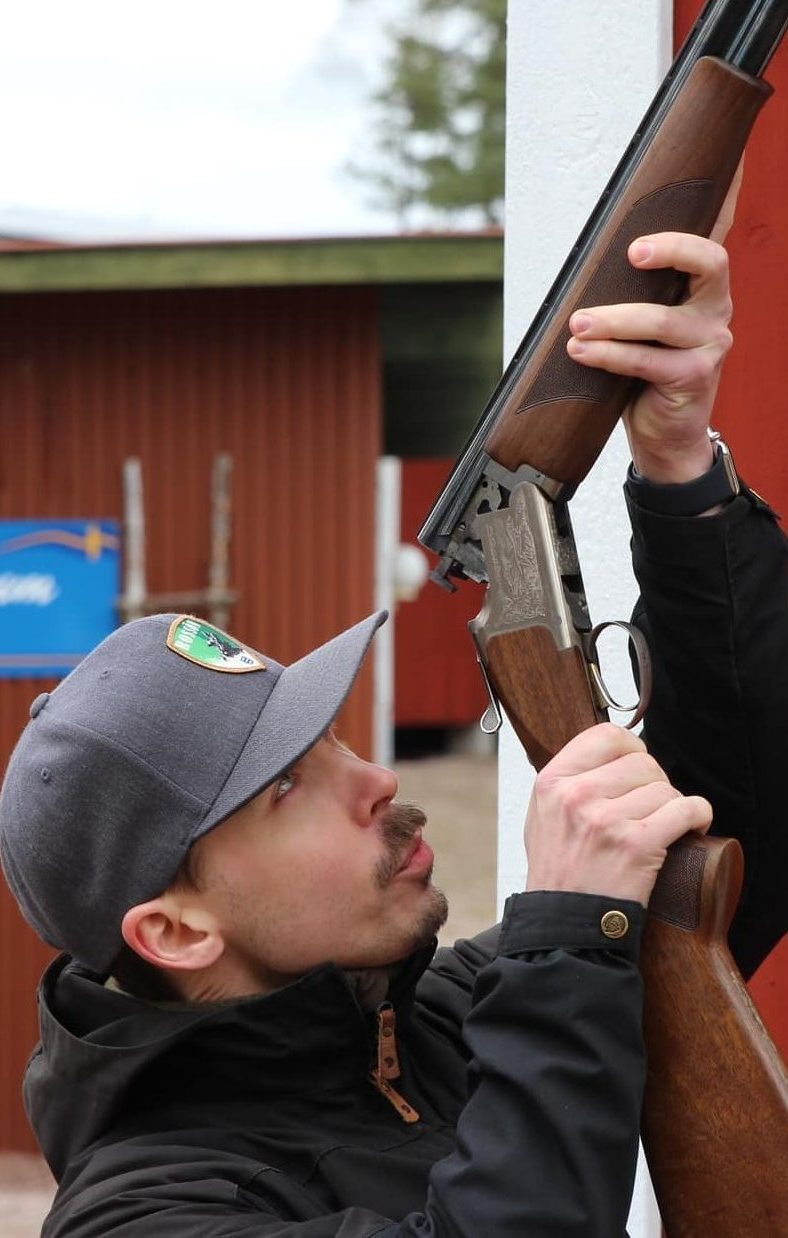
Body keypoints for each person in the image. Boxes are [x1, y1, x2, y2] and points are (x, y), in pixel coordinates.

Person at [0, 217, 777, 1237]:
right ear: (177, 930)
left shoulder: (449, 1018)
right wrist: (562, 933)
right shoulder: (141, 1212)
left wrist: (678, 468)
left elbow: (739, 800)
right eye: (288, 784)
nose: (372, 777)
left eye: (328, 740)